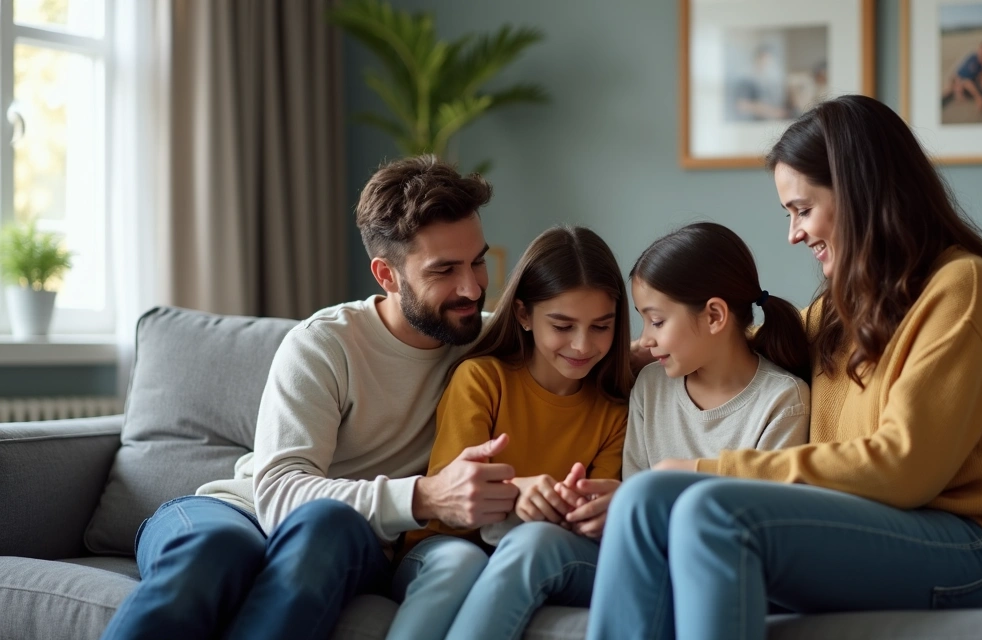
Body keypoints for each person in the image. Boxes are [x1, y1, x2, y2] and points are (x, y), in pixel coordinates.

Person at [585, 95, 982, 640]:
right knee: (644, 500)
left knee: (710, 511)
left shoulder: (962, 289)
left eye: (802, 210)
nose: (793, 234)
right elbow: (723, 348)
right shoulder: (839, 310)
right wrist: (625, 354)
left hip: (978, 548)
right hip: (880, 531)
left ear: (861, 195)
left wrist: (703, 472)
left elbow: (904, 468)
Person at [101, 156, 521, 640]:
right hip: (236, 513)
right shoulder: (325, 343)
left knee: (328, 524)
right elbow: (278, 494)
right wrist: (426, 495)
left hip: (344, 540)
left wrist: (628, 353)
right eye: (444, 270)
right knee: (211, 551)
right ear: (386, 275)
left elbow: (574, 341)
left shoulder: (489, 338)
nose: (472, 287)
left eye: (478, 261)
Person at [443, 221, 812, 640]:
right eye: (640, 321)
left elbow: (764, 524)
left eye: (655, 322)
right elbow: (630, 499)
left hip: (715, 565)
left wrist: (639, 503)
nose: (645, 340)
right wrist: (600, 510)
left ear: (714, 316)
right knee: (534, 544)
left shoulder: (783, 401)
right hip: (634, 553)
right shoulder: (651, 386)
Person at [385, 225, 634, 640]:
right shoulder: (482, 379)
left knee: (534, 541)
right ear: (523, 314)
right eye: (563, 325)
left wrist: (581, 508)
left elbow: (589, 519)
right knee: (462, 562)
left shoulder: (615, 413)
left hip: (540, 546)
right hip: (442, 547)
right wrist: (518, 490)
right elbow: (452, 494)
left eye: (601, 327)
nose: (581, 345)